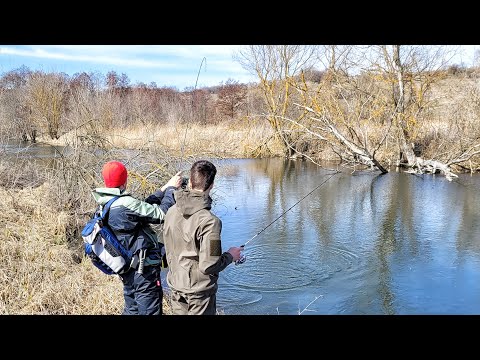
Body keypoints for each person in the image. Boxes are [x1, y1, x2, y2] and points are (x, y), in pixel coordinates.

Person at [92, 160, 182, 315]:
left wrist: (164, 188)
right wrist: (172, 189)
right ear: (124, 181)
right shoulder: (126, 203)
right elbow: (162, 214)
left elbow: (141, 208)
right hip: (143, 271)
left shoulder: (105, 203)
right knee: (150, 310)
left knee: (132, 309)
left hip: (126, 267)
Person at [163, 160, 244, 315]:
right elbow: (210, 264)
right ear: (211, 185)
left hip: (176, 286)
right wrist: (230, 256)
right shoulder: (210, 222)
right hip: (199, 295)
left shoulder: (171, 211)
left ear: (191, 182)